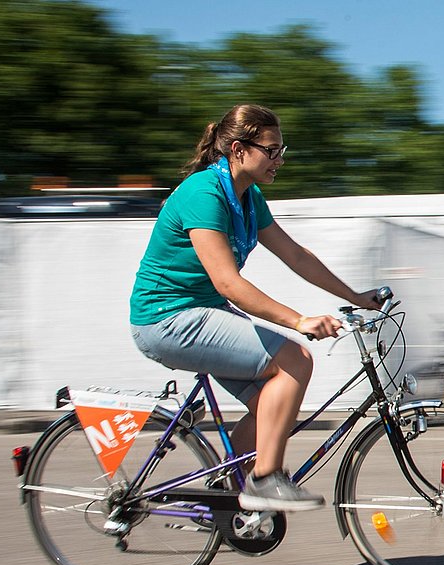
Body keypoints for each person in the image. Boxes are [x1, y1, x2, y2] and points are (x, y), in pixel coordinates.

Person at [129, 104, 382, 512]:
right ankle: (265, 480)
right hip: (167, 318)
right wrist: (298, 321)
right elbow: (228, 284)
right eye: (272, 150)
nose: (279, 160)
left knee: (271, 402)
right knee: (295, 360)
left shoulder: (248, 197)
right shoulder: (203, 193)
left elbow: (296, 255)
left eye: (283, 150)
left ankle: (230, 499)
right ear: (238, 149)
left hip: (203, 311)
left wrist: (355, 297)